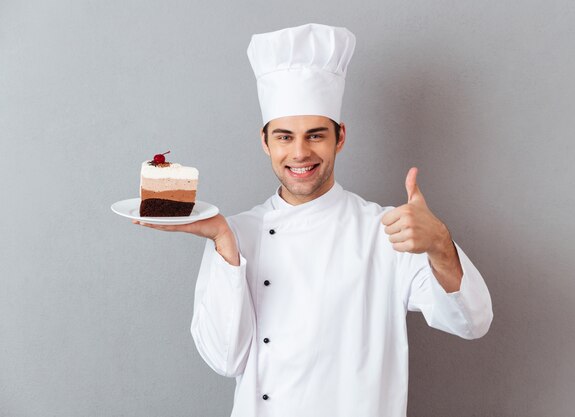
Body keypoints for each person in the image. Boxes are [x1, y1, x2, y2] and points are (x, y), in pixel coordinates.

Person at [134, 23, 492, 417]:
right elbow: (225, 360)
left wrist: (440, 242)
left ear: (340, 138)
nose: (300, 153)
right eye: (285, 137)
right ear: (265, 141)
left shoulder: (388, 230)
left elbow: (473, 322)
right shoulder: (236, 234)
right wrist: (223, 242)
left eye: (316, 135)